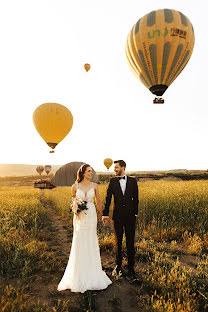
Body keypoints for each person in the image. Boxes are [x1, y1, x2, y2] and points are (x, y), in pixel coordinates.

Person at [57, 164, 112, 293]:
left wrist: (103, 214)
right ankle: (79, 273)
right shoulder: (74, 186)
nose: (91, 173)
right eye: (88, 171)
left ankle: (92, 270)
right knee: (80, 240)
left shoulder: (95, 185)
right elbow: (73, 202)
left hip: (91, 215)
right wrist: (75, 209)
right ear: (82, 173)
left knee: (91, 240)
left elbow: (98, 201)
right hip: (80, 217)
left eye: (91, 171)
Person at [102, 160, 139, 280]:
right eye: (114, 168)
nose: (114, 169)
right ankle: (118, 266)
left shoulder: (133, 181)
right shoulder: (112, 181)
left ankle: (131, 268)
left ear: (123, 167)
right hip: (117, 216)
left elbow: (136, 199)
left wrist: (135, 214)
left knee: (130, 242)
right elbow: (108, 198)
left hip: (130, 217)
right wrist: (105, 214)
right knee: (118, 242)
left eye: (116, 167)